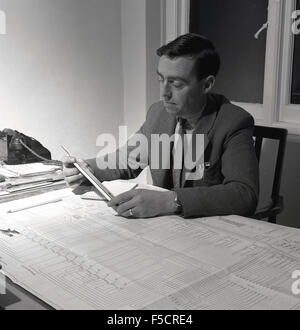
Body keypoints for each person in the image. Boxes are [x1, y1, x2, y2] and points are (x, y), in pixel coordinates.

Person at [64, 33, 259, 219]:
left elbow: (244, 194)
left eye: (177, 84)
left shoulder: (234, 122)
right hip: (167, 229)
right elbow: (127, 159)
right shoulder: (158, 113)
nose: (164, 93)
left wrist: (171, 201)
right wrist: (87, 168)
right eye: (161, 79)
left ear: (207, 85)